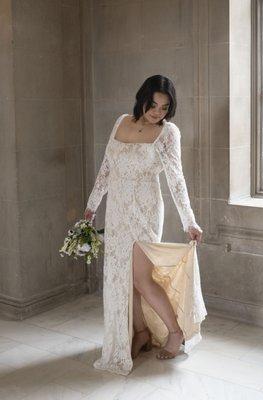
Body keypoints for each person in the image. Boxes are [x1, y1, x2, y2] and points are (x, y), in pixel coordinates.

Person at [84, 74, 204, 376]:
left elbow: (176, 180)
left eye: (164, 107)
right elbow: (107, 168)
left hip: (146, 210)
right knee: (123, 279)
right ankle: (140, 334)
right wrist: (92, 205)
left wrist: (190, 220)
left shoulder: (167, 133)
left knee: (140, 278)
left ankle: (175, 332)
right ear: (142, 99)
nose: (157, 112)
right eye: (153, 105)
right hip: (118, 211)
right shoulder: (121, 121)